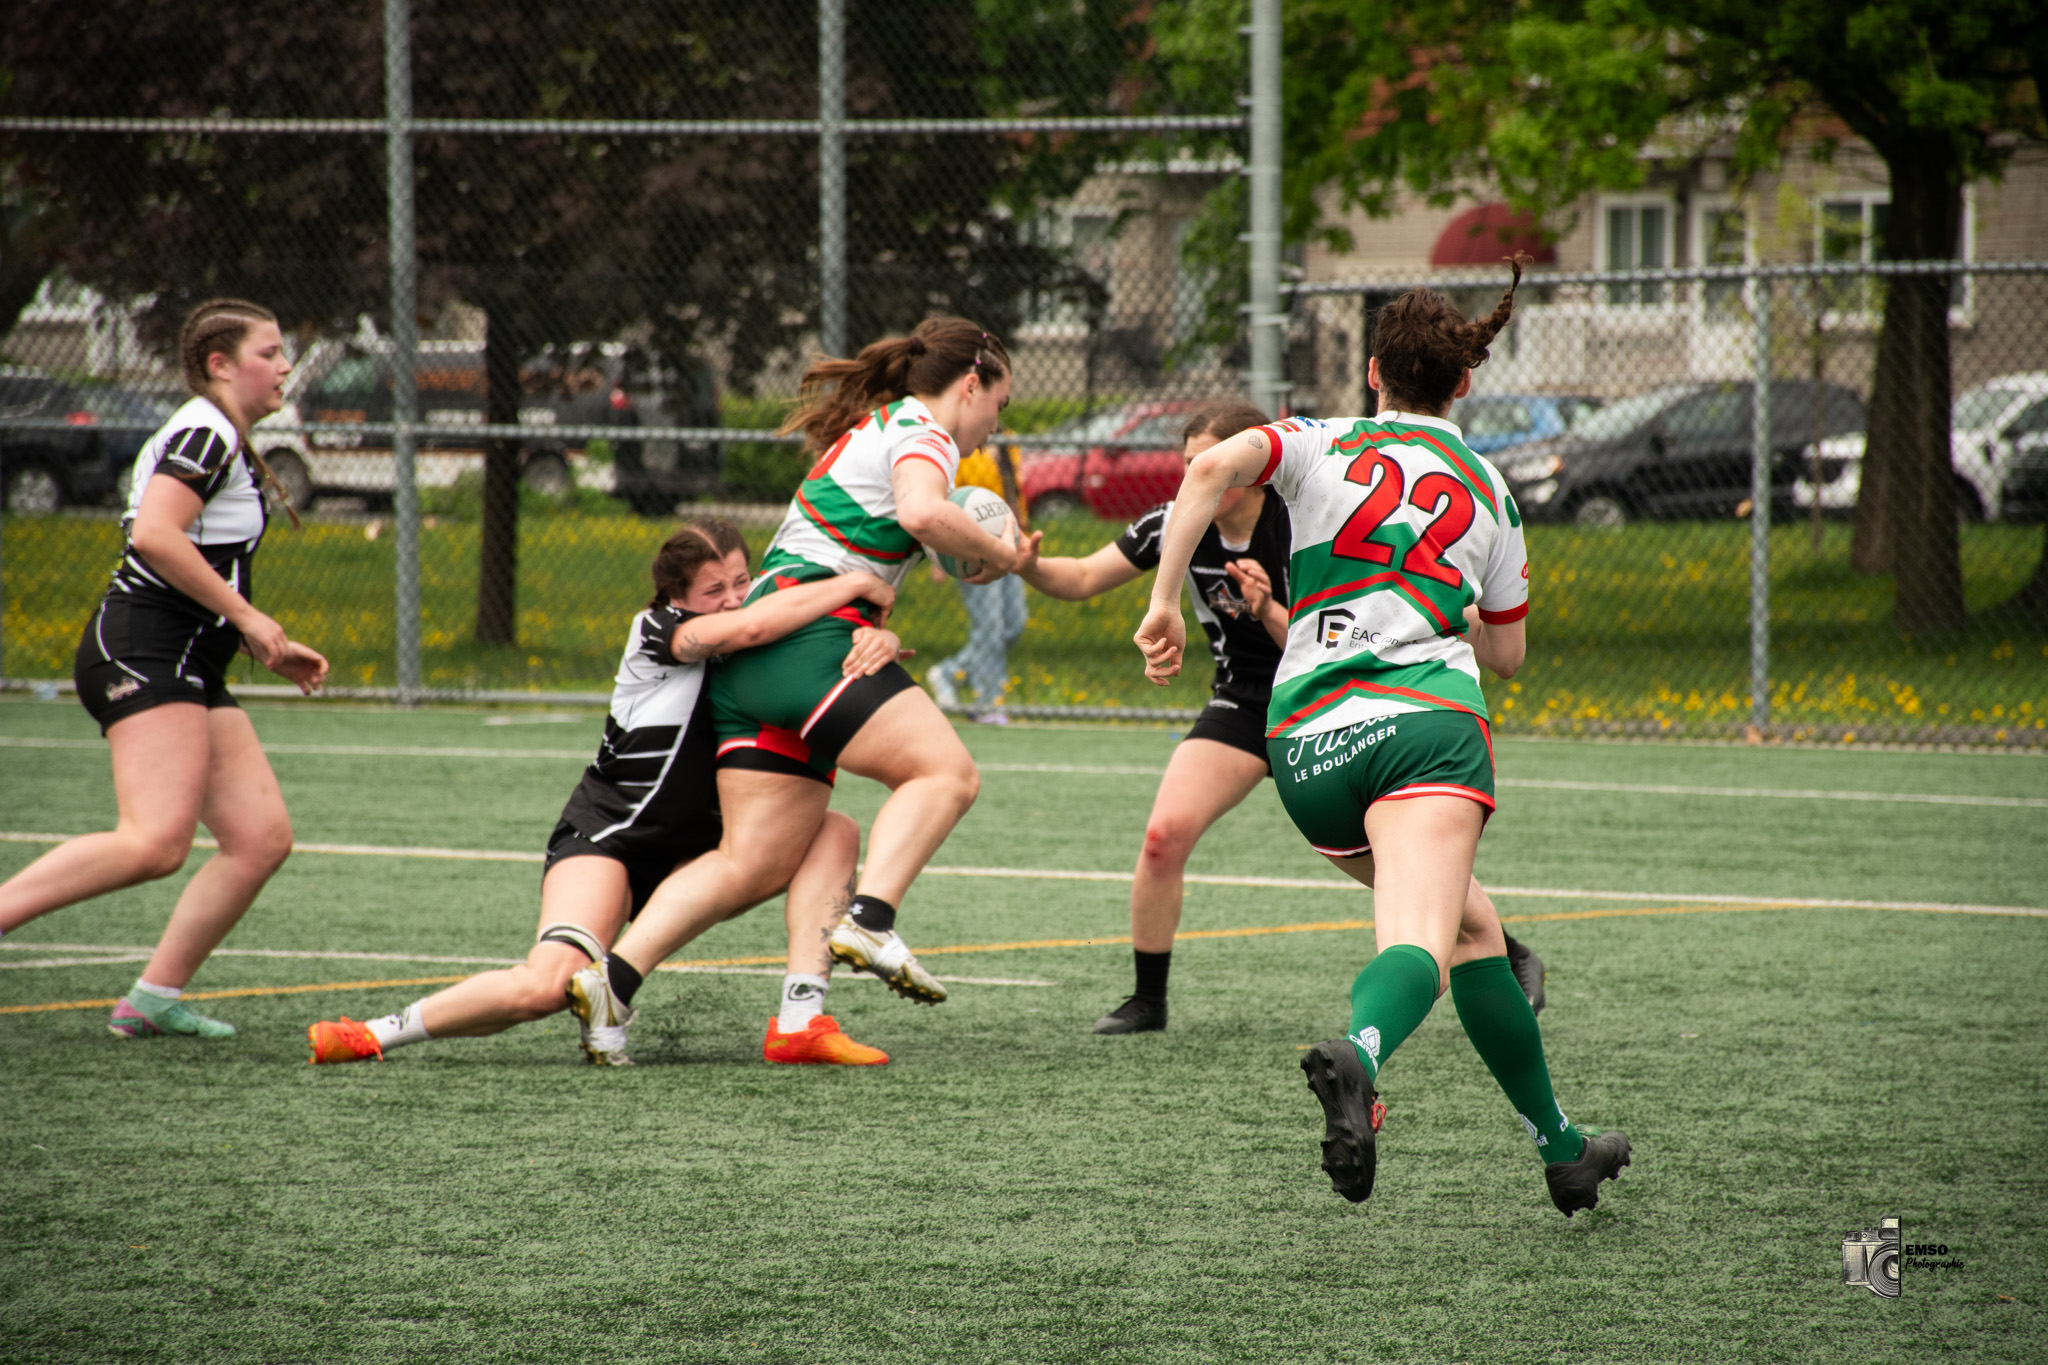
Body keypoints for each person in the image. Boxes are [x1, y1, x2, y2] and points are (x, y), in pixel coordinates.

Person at [1132, 259, 1630, 1218]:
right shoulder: (1490, 486)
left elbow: (1205, 470)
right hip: (1423, 734)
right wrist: (1438, 603)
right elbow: (1511, 651)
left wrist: (1162, 601)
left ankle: (1564, 1150)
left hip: (1305, 739)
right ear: (1467, 383)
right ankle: (1359, 1057)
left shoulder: (1317, 441)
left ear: (1372, 373)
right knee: (1420, 942)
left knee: (1477, 928)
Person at [1019, 402, 1547, 1036]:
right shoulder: (1180, 521)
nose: (1193, 477)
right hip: (1245, 702)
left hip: (1329, 696)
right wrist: (1023, 563)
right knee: (1163, 838)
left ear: (1246, 468)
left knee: (1401, 865)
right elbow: (1079, 577)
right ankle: (1148, 999)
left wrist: (1268, 606)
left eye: (1203, 464)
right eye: (1187, 466)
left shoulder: (1304, 511)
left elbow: (1335, 632)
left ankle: (1499, 945)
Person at [305, 520, 903, 1067]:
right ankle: (375, 1032)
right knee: (545, 986)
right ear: (676, 598)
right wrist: (856, 582)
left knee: (836, 830)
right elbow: (750, 626)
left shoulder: (751, 638)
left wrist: (875, 639)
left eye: (743, 580)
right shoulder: (659, 630)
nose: (735, 597)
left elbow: (806, 649)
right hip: (612, 838)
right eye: (713, 590)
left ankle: (801, 1018)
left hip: (699, 851)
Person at [606, 317, 1029, 1018]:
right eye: (999, 405)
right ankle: (871, 917)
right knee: (946, 773)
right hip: (804, 638)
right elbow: (925, 514)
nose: (995, 423)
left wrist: (945, 577)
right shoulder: (926, 431)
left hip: (759, 656)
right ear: (972, 383)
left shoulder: (885, 425)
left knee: (752, 862)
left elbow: (880, 545)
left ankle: (611, 983)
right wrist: (1005, 554)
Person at [0, 298, 328, 1039]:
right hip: (143, 650)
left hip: (184, 655)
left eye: (284, 353)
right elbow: (154, 535)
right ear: (220, 364)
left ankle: (152, 997)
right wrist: (248, 619)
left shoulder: (222, 435)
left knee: (260, 838)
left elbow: (196, 558)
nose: (284, 367)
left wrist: (256, 639)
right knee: (153, 842)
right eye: (269, 353)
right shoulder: (204, 430)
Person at [928, 441, 1028, 722]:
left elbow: (1014, 493)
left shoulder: (1010, 442)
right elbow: (946, 500)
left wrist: (1022, 531)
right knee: (990, 627)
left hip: (1009, 543)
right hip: (974, 549)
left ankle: (948, 672)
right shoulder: (962, 447)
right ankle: (988, 702)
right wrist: (942, 552)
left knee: (1014, 623)